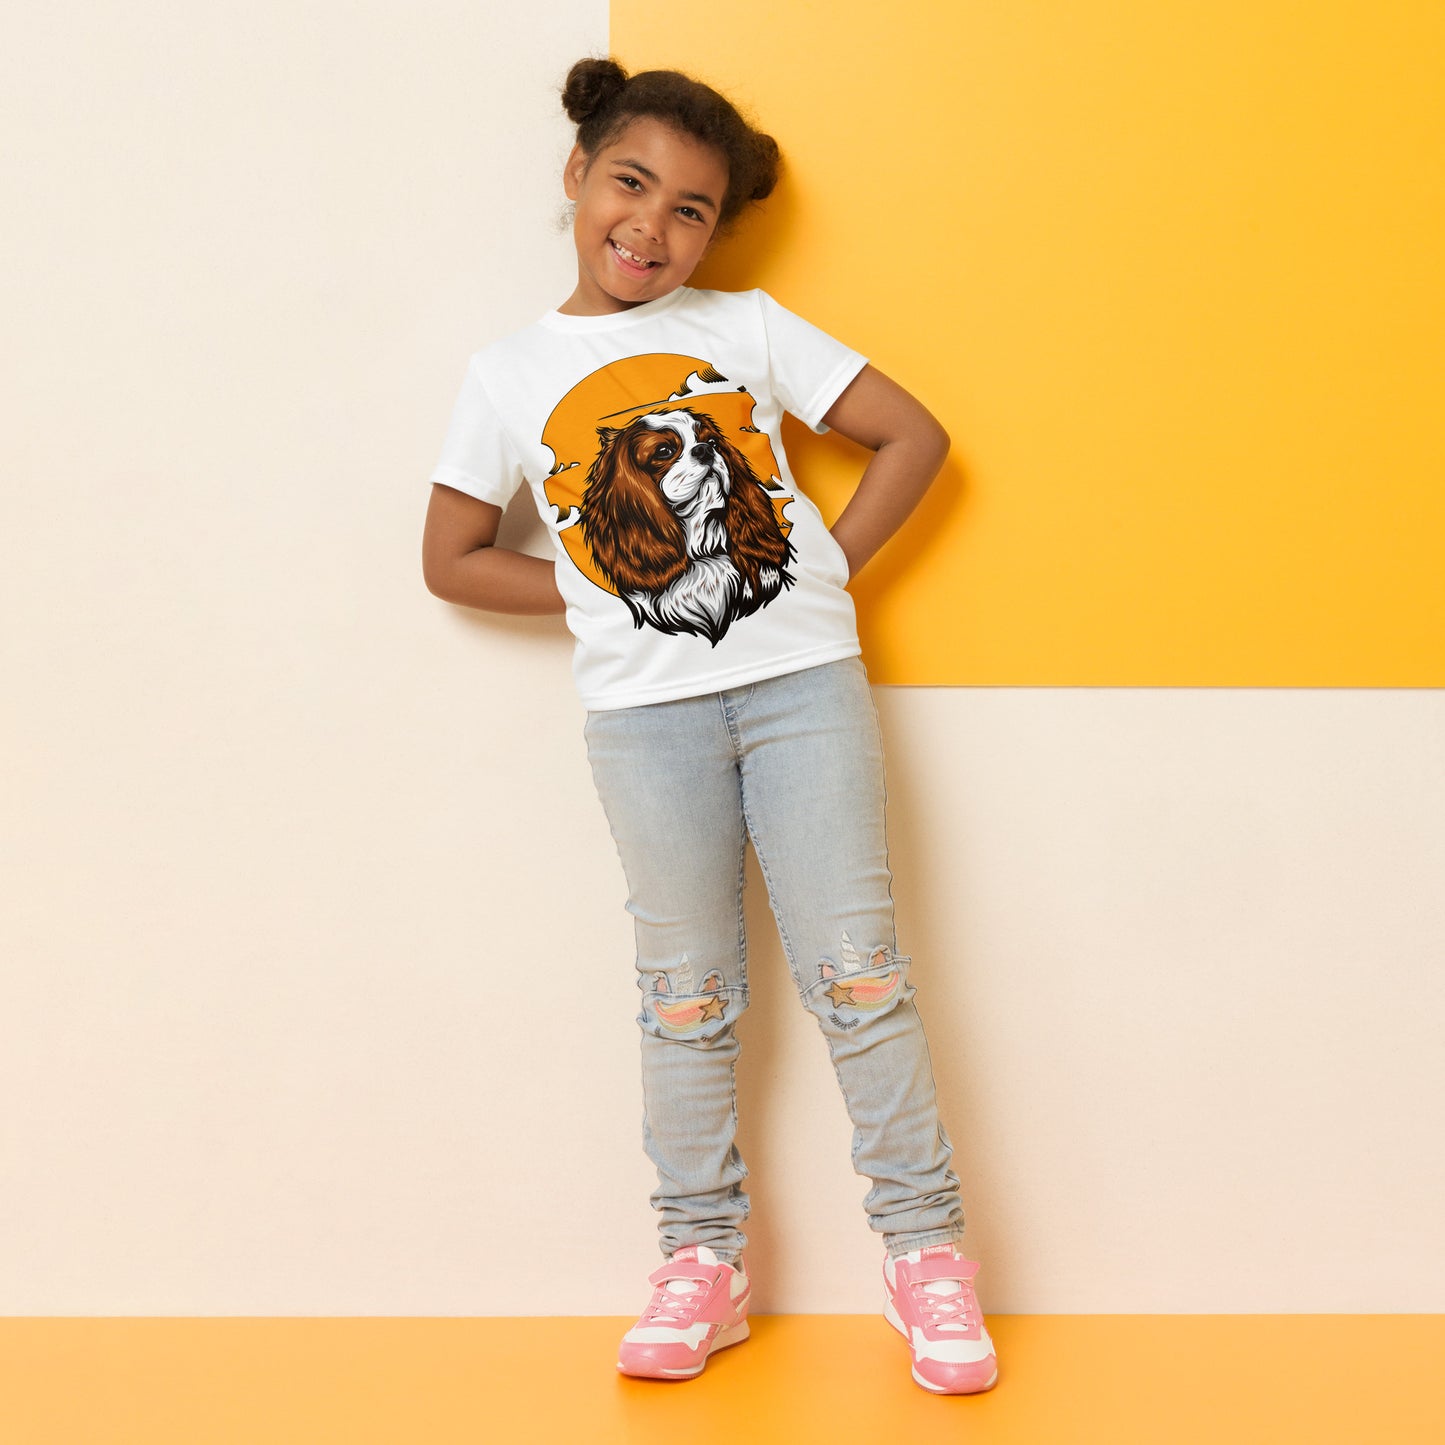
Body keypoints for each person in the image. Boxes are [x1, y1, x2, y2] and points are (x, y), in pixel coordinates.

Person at [421, 57, 998, 1395]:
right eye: (630, 184)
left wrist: (823, 565)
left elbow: (912, 438)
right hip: (643, 721)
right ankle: (702, 1261)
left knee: (860, 974)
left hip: (804, 693)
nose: (652, 225)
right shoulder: (508, 373)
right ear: (578, 175)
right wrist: (595, 590)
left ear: (715, 231)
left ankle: (925, 1252)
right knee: (683, 997)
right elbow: (452, 558)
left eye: (690, 208)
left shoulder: (747, 325)